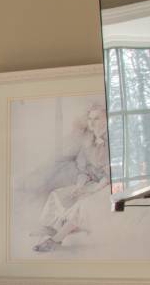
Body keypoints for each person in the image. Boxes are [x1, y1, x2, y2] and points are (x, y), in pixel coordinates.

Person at [33, 104, 110, 253]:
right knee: (58, 194)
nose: (92, 123)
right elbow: (83, 170)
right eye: (90, 119)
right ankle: (50, 228)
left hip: (108, 186)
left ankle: (56, 240)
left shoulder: (112, 142)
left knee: (83, 203)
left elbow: (110, 177)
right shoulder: (88, 143)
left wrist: (91, 191)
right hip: (93, 182)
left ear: (106, 120)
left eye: (96, 118)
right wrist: (79, 187)